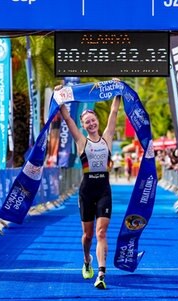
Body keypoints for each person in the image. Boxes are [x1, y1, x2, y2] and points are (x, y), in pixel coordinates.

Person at [57, 83, 121, 290]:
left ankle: (102, 273)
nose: (91, 124)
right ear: (83, 126)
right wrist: (60, 97)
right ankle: (87, 259)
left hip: (104, 190)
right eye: (87, 122)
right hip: (86, 191)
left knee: (102, 233)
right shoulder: (81, 141)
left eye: (93, 120)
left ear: (98, 121)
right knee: (88, 235)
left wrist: (118, 90)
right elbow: (67, 118)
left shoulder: (108, 139)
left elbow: (113, 111)